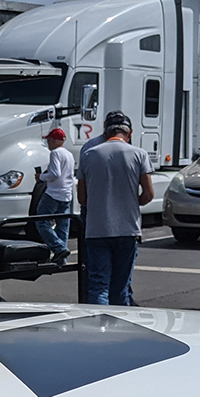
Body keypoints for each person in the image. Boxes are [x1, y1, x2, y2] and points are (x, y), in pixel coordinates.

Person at [78, 114, 154, 305]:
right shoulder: (139, 154)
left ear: (105, 130)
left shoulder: (89, 154)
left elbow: (82, 198)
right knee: (120, 287)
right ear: (129, 133)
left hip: (97, 229)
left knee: (98, 284)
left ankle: (98, 327)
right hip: (127, 228)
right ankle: (119, 329)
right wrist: (131, 203)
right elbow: (148, 194)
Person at [34, 127, 74, 264]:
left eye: (50, 140)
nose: (49, 143)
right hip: (67, 194)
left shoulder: (55, 154)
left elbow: (55, 174)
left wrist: (41, 177)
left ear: (55, 141)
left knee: (41, 221)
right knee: (63, 226)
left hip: (53, 193)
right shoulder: (69, 154)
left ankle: (59, 248)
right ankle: (61, 259)